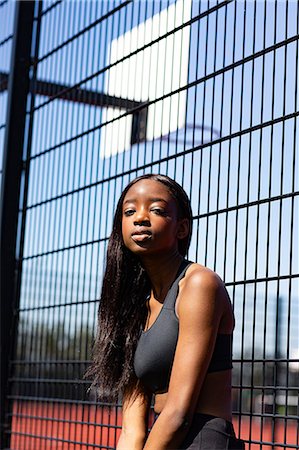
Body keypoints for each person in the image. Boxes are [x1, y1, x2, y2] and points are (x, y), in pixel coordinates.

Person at [87, 174, 244, 449]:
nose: (140, 218)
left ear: (181, 229)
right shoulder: (133, 307)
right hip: (161, 436)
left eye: (156, 210)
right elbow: (132, 429)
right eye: (129, 211)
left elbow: (179, 415)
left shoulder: (199, 284)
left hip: (202, 438)